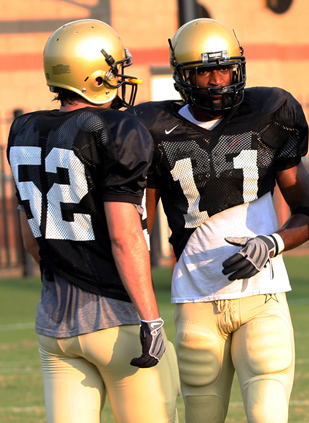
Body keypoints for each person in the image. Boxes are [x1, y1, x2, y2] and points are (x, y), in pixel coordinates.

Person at [126, 18, 309, 423]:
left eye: (226, 69)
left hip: (262, 298)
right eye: (205, 71)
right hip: (197, 301)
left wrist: (272, 243)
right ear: (183, 76)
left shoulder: (270, 114)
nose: (218, 81)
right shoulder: (152, 129)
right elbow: (136, 225)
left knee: (268, 416)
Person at [7, 19, 179, 423]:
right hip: (116, 321)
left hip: (55, 324)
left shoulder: (23, 128)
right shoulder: (115, 129)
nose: (120, 77)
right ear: (94, 74)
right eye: (114, 69)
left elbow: (31, 239)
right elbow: (124, 237)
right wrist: (151, 319)